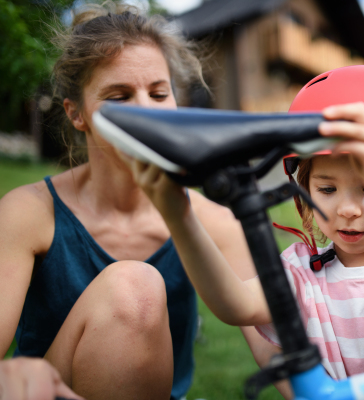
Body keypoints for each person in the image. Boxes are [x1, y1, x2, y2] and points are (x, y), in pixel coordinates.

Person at [123, 65, 364, 400]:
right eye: (327, 190)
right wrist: (180, 217)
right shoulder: (302, 272)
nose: (347, 209)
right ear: (303, 190)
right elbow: (235, 306)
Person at [0, 3, 263, 399]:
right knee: (133, 287)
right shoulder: (28, 212)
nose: (146, 111)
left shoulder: (216, 221)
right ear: (77, 114)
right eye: (119, 96)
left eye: (159, 93)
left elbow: (281, 352)